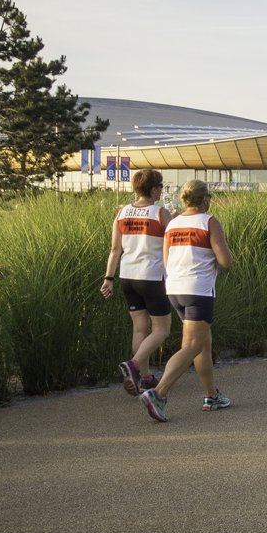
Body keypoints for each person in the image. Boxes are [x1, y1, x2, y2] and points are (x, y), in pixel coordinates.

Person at [139, 180, 232, 422]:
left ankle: (211, 395)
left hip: (174, 289)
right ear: (205, 200)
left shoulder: (173, 223)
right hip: (198, 290)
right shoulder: (209, 222)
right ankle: (158, 394)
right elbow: (225, 261)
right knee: (192, 345)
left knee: (202, 342)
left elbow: (167, 259)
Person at [101, 168, 172, 395]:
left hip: (127, 276)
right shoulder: (160, 213)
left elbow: (115, 249)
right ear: (153, 189)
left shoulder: (122, 213)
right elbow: (175, 242)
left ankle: (145, 377)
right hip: (152, 276)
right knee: (162, 329)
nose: (161, 190)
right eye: (160, 186)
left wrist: (108, 278)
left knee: (140, 328)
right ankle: (133, 364)